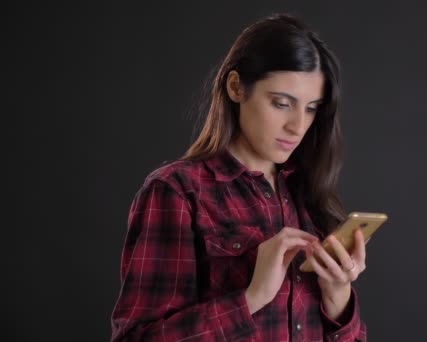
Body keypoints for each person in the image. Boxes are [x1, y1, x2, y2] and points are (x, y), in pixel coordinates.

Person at [110, 13, 368, 342]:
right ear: (235, 87)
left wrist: (338, 298)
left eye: (311, 108)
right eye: (281, 103)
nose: (298, 126)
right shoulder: (178, 192)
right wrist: (251, 298)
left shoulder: (308, 193)